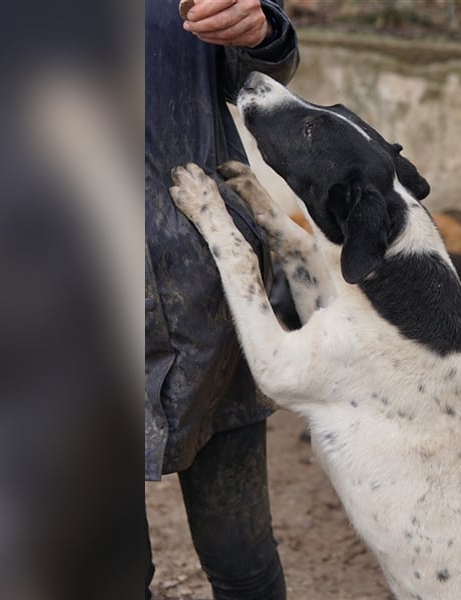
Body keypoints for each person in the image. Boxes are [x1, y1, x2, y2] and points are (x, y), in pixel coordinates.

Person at [145, 1, 299, 599]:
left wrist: (261, 29)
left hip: (211, 301)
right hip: (56, 315)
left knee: (244, 565)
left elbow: (263, 70)